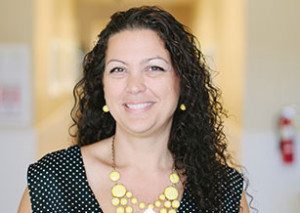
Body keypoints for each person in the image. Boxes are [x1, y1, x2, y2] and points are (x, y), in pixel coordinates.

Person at [18, 6, 250, 213]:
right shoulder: (52, 181)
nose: (135, 86)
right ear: (103, 86)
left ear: (182, 83)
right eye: (118, 70)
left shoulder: (224, 191)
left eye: (154, 68)